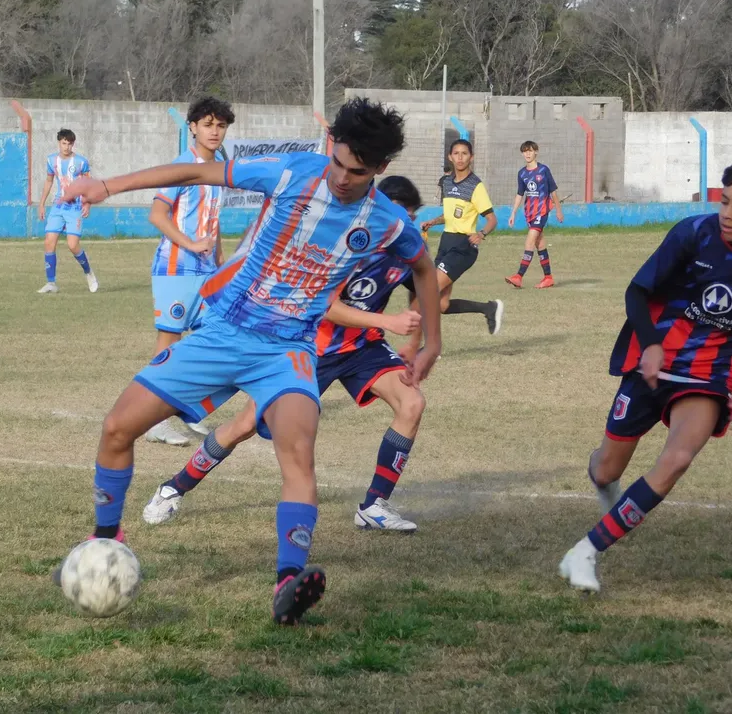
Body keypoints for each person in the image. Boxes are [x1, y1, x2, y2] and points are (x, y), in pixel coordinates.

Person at [56, 98, 442, 625]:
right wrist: (105, 187)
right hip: (222, 334)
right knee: (117, 427)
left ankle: (289, 584)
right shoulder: (291, 172)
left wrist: (429, 343)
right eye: (339, 164)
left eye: (359, 172)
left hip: (289, 352)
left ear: (380, 169)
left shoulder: (387, 221)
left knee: (299, 454)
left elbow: (422, 267)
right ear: (331, 146)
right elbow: (195, 169)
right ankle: (103, 541)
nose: (344, 179)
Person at [142, 175, 434, 533]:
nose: (406, 226)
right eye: (401, 216)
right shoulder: (348, 246)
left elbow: (426, 283)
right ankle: (174, 487)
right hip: (310, 347)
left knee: (412, 404)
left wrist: (416, 339)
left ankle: (374, 505)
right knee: (244, 425)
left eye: (411, 217)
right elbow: (326, 305)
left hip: (362, 345)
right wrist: (388, 320)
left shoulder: (408, 248)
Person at [559, 158, 732, 593]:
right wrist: (651, 343)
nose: (727, 213)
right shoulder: (694, 233)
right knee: (606, 469)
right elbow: (637, 290)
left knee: (677, 459)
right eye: (724, 201)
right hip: (652, 365)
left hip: (709, 377)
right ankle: (601, 477)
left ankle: (585, 552)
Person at [145, 97, 235, 446]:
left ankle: (186, 406)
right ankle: (154, 419)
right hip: (176, 267)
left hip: (207, 270)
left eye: (221, 125)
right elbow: (157, 214)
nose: (215, 131)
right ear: (193, 127)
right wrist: (190, 243)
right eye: (208, 124)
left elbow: (214, 221)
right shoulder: (182, 165)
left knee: (218, 338)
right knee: (169, 340)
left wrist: (221, 261)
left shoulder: (220, 166)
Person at [420, 139, 503, 335]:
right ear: (450, 157)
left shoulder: (476, 185)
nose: (459, 157)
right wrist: (433, 221)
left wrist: (481, 233)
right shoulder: (447, 182)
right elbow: (451, 214)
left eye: (464, 153)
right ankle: (488, 308)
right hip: (446, 242)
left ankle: (431, 348)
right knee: (441, 305)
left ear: (471, 157)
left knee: (428, 292)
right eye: (456, 153)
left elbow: (492, 219)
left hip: (462, 246)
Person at [36, 129, 98, 294]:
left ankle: (88, 272)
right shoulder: (51, 160)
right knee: (49, 242)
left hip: (75, 207)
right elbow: (49, 181)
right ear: (59, 143)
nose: (66, 146)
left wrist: (88, 203)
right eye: (64, 143)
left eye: (69, 143)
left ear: (73, 144)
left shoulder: (81, 162)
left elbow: (89, 185)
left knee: (72, 245)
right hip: (58, 206)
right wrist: (42, 204)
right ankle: (51, 283)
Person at [505, 140, 564, 289]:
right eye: (525, 151)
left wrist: (558, 210)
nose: (528, 154)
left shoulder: (544, 170)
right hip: (529, 213)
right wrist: (513, 213)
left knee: (530, 241)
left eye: (530, 151)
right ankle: (548, 277)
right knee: (540, 243)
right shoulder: (522, 173)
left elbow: (553, 192)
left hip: (541, 212)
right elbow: (520, 194)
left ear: (536, 152)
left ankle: (519, 276)